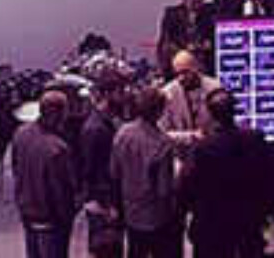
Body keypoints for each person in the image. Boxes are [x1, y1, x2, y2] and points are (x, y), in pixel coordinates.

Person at [182, 89, 274, 258]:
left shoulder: (202, 148)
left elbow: (187, 185)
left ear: (210, 115)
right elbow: (272, 177)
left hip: (212, 227)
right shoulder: (255, 140)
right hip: (248, 224)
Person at [110, 87, 181, 258]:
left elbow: (114, 172)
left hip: (131, 211)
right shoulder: (163, 143)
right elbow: (164, 190)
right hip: (157, 216)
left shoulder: (123, 133)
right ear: (159, 111)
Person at [12, 91, 79, 258]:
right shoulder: (57, 149)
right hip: (50, 221)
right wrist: (69, 215)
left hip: (27, 213)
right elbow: (61, 191)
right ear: (57, 114)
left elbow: (15, 169)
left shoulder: (21, 134)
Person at [81, 74, 127, 258]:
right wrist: (106, 205)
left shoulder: (108, 121)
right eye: (120, 91)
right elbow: (90, 170)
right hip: (103, 204)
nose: (124, 95)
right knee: (105, 250)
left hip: (109, 200)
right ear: (107, 94)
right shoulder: (95, 128)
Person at [159, 50, 223, 162]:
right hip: (182, 158)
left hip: (213, 155)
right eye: (177, 74)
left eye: (185, 72)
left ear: (196, 68)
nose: (181, 78)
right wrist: (191, 137)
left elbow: (223, 125)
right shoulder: (167, 93)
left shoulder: (215, 87)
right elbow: (162, 134)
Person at [157, 0, 216, 77]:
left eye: (198, 1)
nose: (194, 4)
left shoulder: (211, 13)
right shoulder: (172, 15)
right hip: (179, 61)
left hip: (205, 63)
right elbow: (165, 42)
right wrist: (184, 50)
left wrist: (206, 44)